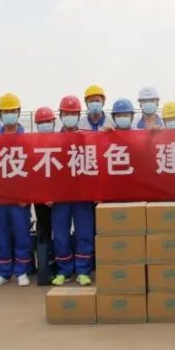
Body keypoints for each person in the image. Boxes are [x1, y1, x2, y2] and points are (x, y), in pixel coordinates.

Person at [0, 93, 33, 287]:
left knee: (22, 232)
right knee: (1, 233)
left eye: (12, 111)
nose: (9, 114)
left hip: (20, 196)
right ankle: (3, 271)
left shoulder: (28, 138)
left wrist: (28, 195)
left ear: (19, 112)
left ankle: (22, 270)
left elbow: (34, 169)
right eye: (5, 111)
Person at [51, 95, 96, 286]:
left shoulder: (88, 138)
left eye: (73, 113)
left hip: (82, 195)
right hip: (60, 196)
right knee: (60, 234)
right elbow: (45, 171)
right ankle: (64, 270)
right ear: (60, 115)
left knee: (84, 233)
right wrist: (47, 194)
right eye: (66, 113)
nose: (69, 116)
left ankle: (83, 270)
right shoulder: (52, 140)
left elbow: (96, 166)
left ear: (79, 115)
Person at [32, 105, 57, 252]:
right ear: (36, 125)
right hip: (40, 196)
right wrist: (43, 195)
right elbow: (32, 174)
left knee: (60, 229)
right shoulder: (32, 144)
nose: (45, 125)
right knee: (43, 227)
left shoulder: (62, 141)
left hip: (59, 196)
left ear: (54, 122)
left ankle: (59, 256)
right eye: (41, 122)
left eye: (48, 121)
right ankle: (45, 259)